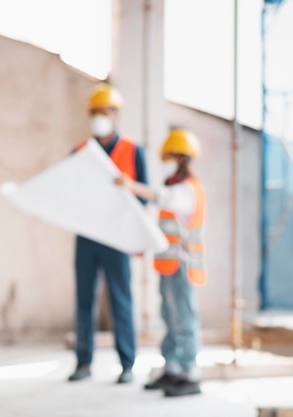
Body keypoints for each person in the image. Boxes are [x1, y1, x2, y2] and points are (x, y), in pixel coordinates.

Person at [115, 128, 206, 397]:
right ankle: (173, 369)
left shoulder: (188, 190)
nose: (171, 163)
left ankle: (190, 373)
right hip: (169, 266)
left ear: (184, 159)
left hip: (184, 266)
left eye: (174, 157)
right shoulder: (176, 185)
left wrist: (131, 186)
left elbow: (164, 198)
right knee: (169, 317)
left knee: (184, 321)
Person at [68, 83, 148, 384]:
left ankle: (128, 364)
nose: (99, 117)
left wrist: (138, 235)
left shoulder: (131, 150)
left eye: (104, 112)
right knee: (84, 299)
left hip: (118, 236)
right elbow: (67, 189)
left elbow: (143, 196)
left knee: (121, 298)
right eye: (95, 113)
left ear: (116, 115)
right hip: (87, 235)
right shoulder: (80, 151)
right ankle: (83, 362)